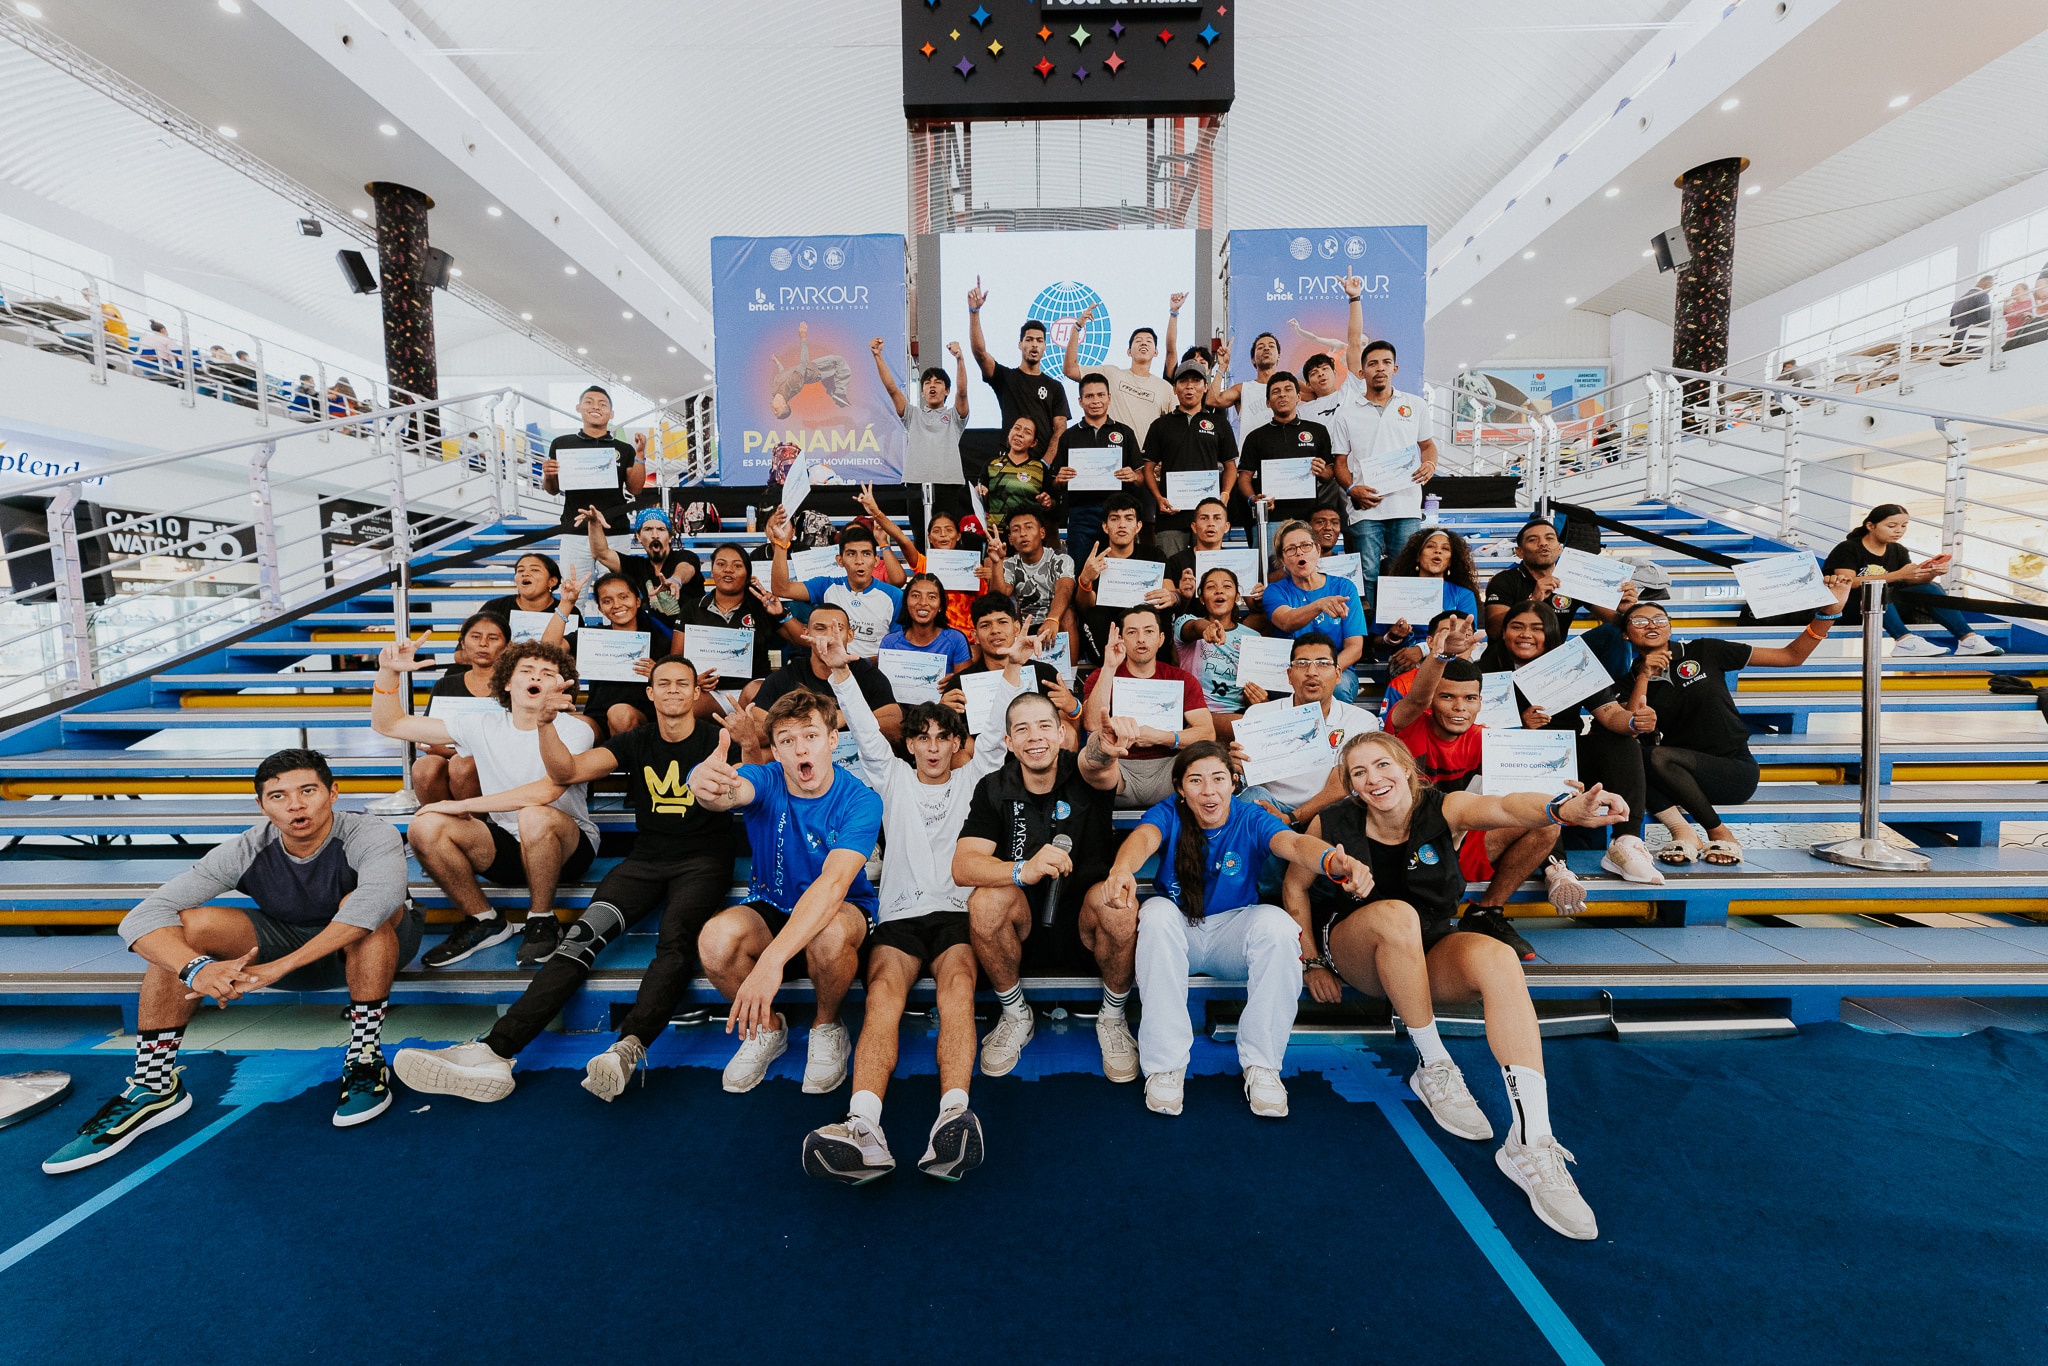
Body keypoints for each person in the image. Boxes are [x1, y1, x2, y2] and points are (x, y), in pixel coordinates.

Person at [1288, 732, 1629, 1240]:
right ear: (1351, 784)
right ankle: (1434, 1065)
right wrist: (1311, 961)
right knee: (1397, 915)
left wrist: (1562, 808)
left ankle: (1532, 1141)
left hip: (1427, 950)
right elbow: (1294, 885)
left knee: (1497, 958)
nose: (1373, 780)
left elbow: (1505, 805)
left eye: (1382, 766)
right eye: (1359, 773)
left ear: (1406, 768)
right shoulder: (1332, 821)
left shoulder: (1444, 809)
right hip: (1358, 947)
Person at [43, 749, 419, 1172]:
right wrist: (197, 969)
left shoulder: (370, 833)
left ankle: (365, 1056)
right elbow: (142, 917)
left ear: (333, 793)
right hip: (287, 937)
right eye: (278, 796)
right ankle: (154, 1084)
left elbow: (375, 903)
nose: (295, 804)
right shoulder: (246, 848)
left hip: (378, 946)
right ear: (261, 806)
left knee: (363, 908)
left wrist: (279, 967)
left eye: (308, 790)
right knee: (189, 927)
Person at [391, 658, 739, 1104]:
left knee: (675, 942)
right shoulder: (635, 740)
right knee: (578, 940)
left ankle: (627, 1049)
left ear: (695, 694)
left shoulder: (718, 739)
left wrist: (750, 749)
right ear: (649, 694)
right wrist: (546, 724)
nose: (672, 690)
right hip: (644, 862)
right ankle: (496, 1052)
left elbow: (755, 782)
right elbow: (565, 773)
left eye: (682, 684)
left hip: (704, 862)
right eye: (663, 683)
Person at [800, 633, 1024, 1184]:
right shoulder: (892, 777)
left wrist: (1014, 669)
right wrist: (840, 675)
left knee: (956, 994)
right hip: (899, 920)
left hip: (955, 918)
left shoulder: (976, 779)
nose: (930, 746)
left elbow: (994, 737)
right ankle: (864, 1126)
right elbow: (869, 733)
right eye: (920, 737)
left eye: (941, 737)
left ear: (955, 744)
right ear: (911, 745)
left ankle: (953, 1114)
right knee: (881, 1000)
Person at [1107, 742, 1365, 1118]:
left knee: (1278, 926)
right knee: (1156, 913)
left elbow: (1292, 843)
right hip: (1179, 929)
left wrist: (1330, 859)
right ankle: (1165, 1066)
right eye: (1196, 780)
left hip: (1233, 930)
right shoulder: (1168, 812)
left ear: (1233, 782)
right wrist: (1121, 870)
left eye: (1218, 779)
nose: (1208, 791)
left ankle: (1262, 1066)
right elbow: (1142, 839)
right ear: (1180, 787)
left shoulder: (1250, 816)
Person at [687, 688, 882, 1097]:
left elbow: (833, 886)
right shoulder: (767, 777)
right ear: (774, 751)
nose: (800, 750)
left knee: (828, 933)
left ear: (832, 740)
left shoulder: (861, 800)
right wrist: (702, 784)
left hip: (840, 909)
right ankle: (768, 1029)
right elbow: (732, 789)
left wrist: (772, 961)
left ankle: (827, 1025)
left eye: (810, 736)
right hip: (771, 904)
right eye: (787, 741)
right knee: (714, 939)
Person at [371, 636, 600, 968]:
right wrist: (388, 673)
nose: (536, 677)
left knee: (534, 815)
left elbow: (545, 792)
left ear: (563, 689)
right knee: (424, 825)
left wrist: (462, 805)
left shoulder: (575, 729)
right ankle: (484, 920)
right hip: (508, 846)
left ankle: (542, 918)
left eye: (548, 672)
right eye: (527, 670)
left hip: (567, 846)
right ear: (507, 682)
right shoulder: (483, 723)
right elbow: (390, 724)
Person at [1385, 621, 1602, 959]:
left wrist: (1565, 797)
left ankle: (1487, 912)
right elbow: (1416, 696)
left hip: (1459, 841)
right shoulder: (1409, 724)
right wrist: (1440, 656)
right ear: (1432, 701)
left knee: (1545, 823)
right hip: (1405, 844)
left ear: (1480, 702)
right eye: (1448, 697)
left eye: (1470, 698)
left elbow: (1525, 795)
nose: (1460, 708)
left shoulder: (1489, 739)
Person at [955, 693, 1138, 1081]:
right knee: (984, 902)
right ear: (1008, 742)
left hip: (1086, 921)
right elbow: (964, 865)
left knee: (1118, 903)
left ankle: (1113, 1017)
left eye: (1043, 726)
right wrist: (1023, 869)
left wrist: (1103, 748)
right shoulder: (992, 786)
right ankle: (1015, 1013)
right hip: (1022, 928)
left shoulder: (1083, 771)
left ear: (1061, 734)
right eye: (1021, 729)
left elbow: (1098, 764)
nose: (1033, 737)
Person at [1622, 588, 1849, 866]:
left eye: (1659, 619)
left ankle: (1719, 832)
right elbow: (1631, 725)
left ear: (1671, 626)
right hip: (1677, 778)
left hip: (1731, 770)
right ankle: (1684, 833)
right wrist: (1644, 674)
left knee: (1658, 756)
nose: (1652, 625)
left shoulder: (1705, 650)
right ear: (1625, 634)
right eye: (1640, 622)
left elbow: (1791, 656)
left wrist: (1827, 614)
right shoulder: (1629, 678)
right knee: (1632, 758)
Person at [1470, 600, 1662, 889]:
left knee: (1621, 744)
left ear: (1551, 632)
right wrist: (1520, 727)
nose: (1526, 635)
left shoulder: (1569, 664)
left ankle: (1626, 841)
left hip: (1566, 759)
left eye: (1537, 628)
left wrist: (1634, 723)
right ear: (1504, 631)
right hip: (1513, 763)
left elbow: (1610, 714)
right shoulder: (1485, 669)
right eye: (1517, 626)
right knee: (1524, 764)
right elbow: (1469, 730)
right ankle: (1555, 866)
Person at [1233, 632, 1382, 831]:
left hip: (1329, 812)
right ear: (1288, 675)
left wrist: (1293, 817)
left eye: (1322, 663)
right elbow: (1245, 777)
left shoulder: (1360, 721)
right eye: (1302, 663)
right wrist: (1235, 766)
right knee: (1251, 800)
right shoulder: (1259, 714)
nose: (1312, 671)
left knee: (1348, 807)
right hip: (1271, 808)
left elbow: (1342, 784)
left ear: (1338, 674)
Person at [1325, 340, 1437, 598]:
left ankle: (1400, 632)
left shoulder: (1415, 405)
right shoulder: (1346, 413)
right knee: (1367, 576)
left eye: (1386, 363)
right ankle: (1372, 636)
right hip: (1366, 509)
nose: (1380, 369)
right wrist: (1352, 488)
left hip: (1406, 507)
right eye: (1373, 364)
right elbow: (1340, 463)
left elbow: (1428, 446)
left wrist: (1430, 464)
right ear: (1362, 372)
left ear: (1395, 369)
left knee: (1405, 573)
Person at [1820, 503, 2001, 657]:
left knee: (1930, 588)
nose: (1899, 531)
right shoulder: (1848, 548)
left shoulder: (1897, 550)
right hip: (1848, 607)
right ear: (1870, 526)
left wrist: (1930, 573)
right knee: (1877, 590)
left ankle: (1967, 639)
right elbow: (1848, 582)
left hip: (1887, 607)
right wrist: (1898, 575)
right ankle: (1905, 641)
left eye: (1904, 526)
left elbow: (1908, 582)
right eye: (1892, 526)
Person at [1079, 604, 1215, 808]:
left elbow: (1207, 733)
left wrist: (1161, 737)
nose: (1141, 639)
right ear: (1122, 639)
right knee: (1091, 750)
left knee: (1211, 757)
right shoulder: (1101, 675)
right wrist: (1109, 667)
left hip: (1170, 770)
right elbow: (1091, 724)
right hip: (1118, 767)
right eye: (1132, 632)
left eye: (1149, 631)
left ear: (1160, 639)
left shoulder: (1181, 678)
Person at [541, 566, 677, 738]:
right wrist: (567, 603)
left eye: (623, 597)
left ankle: (626, 765)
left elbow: (680, 680)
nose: (616, 605)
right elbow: (547, 649)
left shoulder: (659, 639)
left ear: (637, 601)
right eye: (607, 601)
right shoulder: (593, 636)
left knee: (619, 714)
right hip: (597, 718)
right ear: (600, 609)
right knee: (575, 727)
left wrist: (660, 674)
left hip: (640, 719)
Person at [541, 386, 647, 603]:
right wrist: (548, 474)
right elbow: (553, 488)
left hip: (614, 529)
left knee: (618, 593)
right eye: (589, 402)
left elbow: (635, 489)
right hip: (575, 530)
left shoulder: (623, 448)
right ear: (579, 408)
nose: (595, 406)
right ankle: (570, 636)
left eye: (602, 404)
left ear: (612, 413)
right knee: (572, 595)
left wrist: (640, 455)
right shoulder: (562, 443)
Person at [751, 602, 904, 746]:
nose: (830, 637)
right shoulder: (789, 674)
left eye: (839, 629)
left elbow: (895, 728)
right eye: (820, 628)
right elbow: (755, 729)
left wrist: (845, 717)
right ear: (806, 633)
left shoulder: (867, 674)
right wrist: (803, 726)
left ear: (850, 635)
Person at [938, 591, 1082, 738]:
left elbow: (1068, 732)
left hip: (1036, 750)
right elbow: (944, 738)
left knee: (1068, 734)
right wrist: (941, 713)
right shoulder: (960, 684)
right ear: (975, 636)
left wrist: (1074, 708)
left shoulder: (1045, 674)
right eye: (985, 625)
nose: (995, 630)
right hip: (984, 755)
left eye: (1002, 622)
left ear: (1017, 628)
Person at [768, 512, 904, 659]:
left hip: (872, 672)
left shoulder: (894, 596)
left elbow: (897, 650)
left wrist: (860, 665)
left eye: (866, 554)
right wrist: (781, 544)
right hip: (829, 669)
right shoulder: (825, 585)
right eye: (851, 554)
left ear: (876, 560)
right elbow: (781, 589)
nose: (859, 561)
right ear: (840, 560)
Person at [1142, 357, 1240, 559]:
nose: (1189, 387)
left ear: (1205, 387)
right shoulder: (1161, 425)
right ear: (1175, 388)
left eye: (1196, 381)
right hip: (1170, 515)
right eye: (1183, 381)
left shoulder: (1219, 423)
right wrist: (1158, 498)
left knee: (1210, 573)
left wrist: (1226, 494)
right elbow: (1147, 467)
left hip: (1208, 515)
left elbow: (1231, 465)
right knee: (1170, 572)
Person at [1048, 372, 1145, 571]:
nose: (1095, 401)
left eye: (1100, 395)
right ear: (1080, 401)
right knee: (1080, 569)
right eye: (1089, 396)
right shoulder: (1069, 436)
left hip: (1118, 513)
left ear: (1109, 398)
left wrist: (1133, 476)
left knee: (1119, 569)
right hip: (1081, 513)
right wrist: (1060, 479)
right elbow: (1055, 483)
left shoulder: (1125, 432)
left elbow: (1141, 477)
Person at [1263, 520, 1367, 702]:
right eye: (1291, 549)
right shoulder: (1275, 591)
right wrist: (1319, 605)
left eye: (1306, 545)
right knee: (1286, 693)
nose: (1299, 552)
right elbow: (1287, 621)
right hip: (1292, 671)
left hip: (1336, 669)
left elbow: (1355, 648)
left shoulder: (1344, 587)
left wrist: (1325, 673)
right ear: (1282, 560)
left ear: (1318, 550)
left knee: (1339, 689)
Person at [414, 610, 511, 805]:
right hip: (453, 759)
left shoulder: (515, 685)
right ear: (463, 643)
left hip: (502, 763)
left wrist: (453, 753)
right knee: (424, 766)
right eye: (475, 637)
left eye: (493, 638)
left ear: (507, 646)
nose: (483, 644)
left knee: (463, 764)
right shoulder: (446, 684)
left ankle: (472, 828)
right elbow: (425, 737)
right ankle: (441, 823)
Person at [874, 337, 973, 525]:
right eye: (927, 383)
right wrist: (877, 356)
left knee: (945, 541)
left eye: (938, 382)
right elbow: (892, 389)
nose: (932, 385)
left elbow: (963, 392)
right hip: (916, 484)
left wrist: (960, 359)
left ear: (947, 391)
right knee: (920, 541)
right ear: (922, 392)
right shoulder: (913, 415)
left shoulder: (954, 417)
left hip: (947, 486)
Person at [858, 488, 980, 638]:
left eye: (949, 530)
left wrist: (990, 573)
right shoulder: (924, 564)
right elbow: (902, 539)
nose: (943, 535)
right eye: (936, 531)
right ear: (929, 537)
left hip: (967, 638)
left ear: (958, 535)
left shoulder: (974, 567)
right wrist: (876, 512)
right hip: (930, 637)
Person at [967, 279, 1068, 459]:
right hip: (1008, 461)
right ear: (1020, 344)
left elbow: (1060, 428)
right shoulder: (1005, 377)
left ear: (1045, 346)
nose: (1034, 345)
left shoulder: (1055, 387)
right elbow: (980, 353)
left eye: (1039, 340)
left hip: (1041, 463)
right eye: (1029, 340)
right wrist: (974, 312)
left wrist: (1045, 463)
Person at [678, 544, 785, 708]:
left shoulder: (762, 606)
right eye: (721, 564)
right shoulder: (692, 608)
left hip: (751, 690)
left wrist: (780, 614)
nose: (728, 570)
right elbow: (676, 659)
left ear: (748, 574)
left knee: (757, 691)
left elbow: (801, 637)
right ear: (712, 571)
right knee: (686, 703)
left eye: (737, 565)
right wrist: (692, 678)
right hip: (710, 693)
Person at [1074, 491, 1175, 661]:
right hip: (1110, 625)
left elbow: (1169, 591)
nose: (1122, 525)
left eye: (1128, 519)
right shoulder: (1094, 560)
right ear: (1105, 526)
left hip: (1143, 619)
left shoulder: (1154, 555)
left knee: (1162, 614)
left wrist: (1171, 596)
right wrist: (1085, 580)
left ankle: (1156, 667)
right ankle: (1111, 668)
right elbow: (1085, 607)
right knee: (1095, 616)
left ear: (1138, 526)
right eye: (1115, 519)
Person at [1059, 298, 1181, 436]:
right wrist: (1077, 328)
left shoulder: (1165, 388)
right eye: (1138, 341)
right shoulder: (1111, 373)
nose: (1143, 344)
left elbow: (1176, 427)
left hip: (1146, 457)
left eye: (1149, 341)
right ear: (1129, 351)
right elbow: (1070, 369)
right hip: (1111, 452)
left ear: (1156, 352)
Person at [1237, 371, 1338, 531]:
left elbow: (1329, 474)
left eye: (1288, 390)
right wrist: (1253, 499)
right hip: (1269, 520)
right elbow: (1244, 477)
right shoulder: (1255, 437)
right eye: (1276, 392)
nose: (1282, 395)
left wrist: (1322, 470)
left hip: (1308, 520)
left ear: (1299, 397)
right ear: (1268, 402)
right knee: (1269, 558)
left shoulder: (1318, 431)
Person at [1176, 567, 1262, 739]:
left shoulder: (1253, 637)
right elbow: (1193, 627)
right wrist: (1206, 628)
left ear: (1238, 597)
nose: (1219, 591)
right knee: (1257, 728)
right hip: (1195, 713)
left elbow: (1253, 688)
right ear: (1201, 598)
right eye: (1211, 587)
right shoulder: (1185, 622)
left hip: (1237, 714)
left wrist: (1260, 700)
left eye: (1227, 586)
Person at [584, 505, 700, 631]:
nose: (655, 535)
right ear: (638, 536)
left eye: (661, 529)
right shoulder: (637, 566)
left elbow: (687, 568)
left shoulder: (685, 556)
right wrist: (594, 523)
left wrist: (676, 580)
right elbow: (601, 554)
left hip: (693, 632)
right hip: (659, 636)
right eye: (648, 529)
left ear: (670, 536)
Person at [984, 506, 1073, 650]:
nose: (1022, 534)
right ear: (1010, 539)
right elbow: (998, 599)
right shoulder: (1010, 564)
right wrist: (997, 562)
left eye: (1029, 527)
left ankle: (1071, 671)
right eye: (1016, 530)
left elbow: (1064, 590)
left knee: (1068, 614)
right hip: (1026, 626)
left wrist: (1052, 619)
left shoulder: (1061, 560)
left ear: (1042, 532)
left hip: (1056, 622)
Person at [1380, 527, 1483, 651]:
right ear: (1418, 557)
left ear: (1450, 562)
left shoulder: (1463, 595)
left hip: (1449, 664)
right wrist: (1392, 636)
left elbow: (1466, 641)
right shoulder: (1394, 589)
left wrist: (1421, 651)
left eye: (1445, 548)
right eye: (1430, 546)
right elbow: (1376, 641)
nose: (1437, 551)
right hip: (1402, 663)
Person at [879, 571, 972, 673]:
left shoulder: (956, 640)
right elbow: (884, 686)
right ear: (906, 602)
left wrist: (953, 682)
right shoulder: (890, 642)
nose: (923, 602)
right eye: (915, 596)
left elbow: (962, 686)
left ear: (940, 605)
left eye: (932, 597)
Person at [1162, 498, 1243, 612]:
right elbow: (1172, 610)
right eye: (1204, 518)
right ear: (1194, 527)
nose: (1211, 524)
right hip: (1189, 624)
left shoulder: (1237, 561)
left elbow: (1253, 606)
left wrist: (1257, 597)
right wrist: (1183, 595)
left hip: (1228, 624)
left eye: (1217, 518)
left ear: (1227, 527)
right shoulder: (1176, 562)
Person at [982, 416, 1053, 536]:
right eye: (1017, 428)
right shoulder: (991, 464)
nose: (1020, 434)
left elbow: (1052, 502)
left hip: (1026, 535)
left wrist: (1047, 502)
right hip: (995, 534)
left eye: (1027, 432)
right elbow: (982, 500)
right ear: (1009, 433)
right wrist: (981, 492)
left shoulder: (1040, 468)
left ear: (1034, 443)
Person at [769, 320, 853, 418]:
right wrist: (803, 338)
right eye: (777, 411)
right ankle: (840, 393)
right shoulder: (792, 385)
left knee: (833, 374)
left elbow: (782, 373)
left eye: (775, 412)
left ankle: (833, 391)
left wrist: (777, 362)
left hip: (812, 369)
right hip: (815, 370)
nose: (774, 412)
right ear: (784, 404)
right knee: (839, 361)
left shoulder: (774, 390)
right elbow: (803, 363)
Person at [1208, 331, 1283, 437]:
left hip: (1283, 452)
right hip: (1251, 453)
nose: (1266, 349)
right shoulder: (1242, 389)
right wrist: (1222, 366)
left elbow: (1313, 394)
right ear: (1253, 359)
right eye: (1260, 347)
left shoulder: (1290, 386)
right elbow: (1212, 400)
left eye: (1271, 346)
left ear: (1279, 356)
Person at [481, 552, 574, 628]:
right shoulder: (495, 608)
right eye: (520, 570)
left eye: (534, 570)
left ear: (552, 581)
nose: (525, 574)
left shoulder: (568, 610)